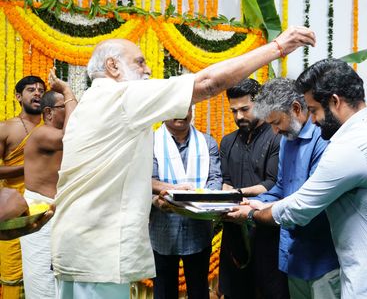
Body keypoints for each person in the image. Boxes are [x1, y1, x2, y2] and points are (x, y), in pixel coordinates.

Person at [51, 27, 316, 299]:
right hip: (97, 253)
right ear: (113, 66)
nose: (148, 70)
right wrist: (278, 47)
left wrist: (159, 192)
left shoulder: (88, 103)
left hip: (74, 245)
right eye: (139, 62)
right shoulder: (121, 97)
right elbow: (208, 83)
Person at [227, 58, 367, 298]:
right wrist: (260, 203)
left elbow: (301, 207)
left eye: (314, 111)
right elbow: (285, 189)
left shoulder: (351, 146)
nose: (312, 120)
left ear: (335, 101)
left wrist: (251, 212)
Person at [251, 78, 340, 298]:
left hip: (323, 258)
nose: (274, 131)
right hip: (293, 254)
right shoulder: (286, 140)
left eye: (276, 122)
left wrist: (255, 213)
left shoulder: (323, 139)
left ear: (296, 109)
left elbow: (311, 204)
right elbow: (282, 187)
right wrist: (254, 202)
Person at [219, 78, 286, 299]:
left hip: (265, 228)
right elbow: (225, 180)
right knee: (235, 291)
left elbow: (272, 183)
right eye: (234, 111)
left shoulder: (277, 136)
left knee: (268, 291)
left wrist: (237, 194)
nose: (239, 117)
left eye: (245, 109)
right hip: (233, 230)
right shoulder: (227, 142)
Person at [150, 106, 222, 299]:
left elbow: (215, 178)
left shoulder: (207, 142)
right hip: (163, 231)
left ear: (192, 110)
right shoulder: (150, 142)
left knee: (199, 290)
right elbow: (146, 181)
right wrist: (156, 201)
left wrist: (204, 200)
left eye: (185, 107)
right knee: (164, 292)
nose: (180, 113)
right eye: (174, 107)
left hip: (198, 229)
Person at [21, 70, 77, 299]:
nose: (74, 110)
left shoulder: (54, 135)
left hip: (59, 212)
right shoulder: (41, 134)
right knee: (42, 279)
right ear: (49, 112)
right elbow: (71, 135)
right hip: (40, 213)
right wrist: (66, 90)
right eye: (68, 106)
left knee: (62, 278)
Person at [0, 75, 46, 299]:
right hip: (14, 211)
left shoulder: (52, 129)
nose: (37, 93)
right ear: (19, 96)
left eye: (41, 90)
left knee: (43, 267)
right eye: (31, 90)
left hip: (43, 208)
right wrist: (28, 167)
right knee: (13, 271)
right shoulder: (6, 128)